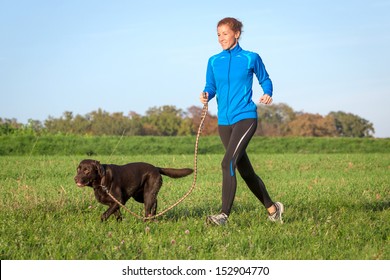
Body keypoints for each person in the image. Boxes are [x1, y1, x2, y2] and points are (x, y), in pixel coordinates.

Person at [200, 17, 284, 225]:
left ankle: (223, 215)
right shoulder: (213, 61)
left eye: (225, 33)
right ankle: (273, 209)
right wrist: (206, 94)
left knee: (227, 162)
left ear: (236, 34)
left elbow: (265, 78)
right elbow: (211, 85)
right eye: (218, 34)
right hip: (224, 122)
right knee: (244, 170)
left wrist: (267, 92)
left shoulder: (250, 58)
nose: (221, 38)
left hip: (245, 117)